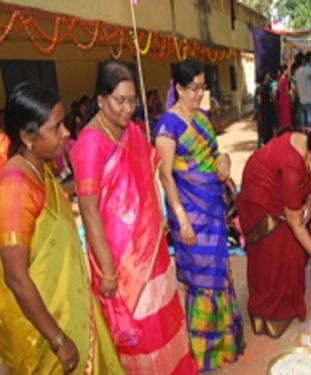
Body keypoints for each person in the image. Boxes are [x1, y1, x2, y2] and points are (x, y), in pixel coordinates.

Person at [70, 61, 196, 374]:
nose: (128, 109)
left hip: (151, 248)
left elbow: (149, 175)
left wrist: (159, 215)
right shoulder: (89, 144)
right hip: (119, 260)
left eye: (132, 100)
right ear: (101, 99)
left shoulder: (132, 133)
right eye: (120, 100)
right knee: (139, 333)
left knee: (164, 319)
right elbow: (88, 211)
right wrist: (109, 271)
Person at [0, 81, 124, 374]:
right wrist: (57, 339)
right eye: (56, 128)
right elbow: (16, 277)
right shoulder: (15, 186)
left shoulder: (39, 169)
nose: (66, 133)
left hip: (67, 311)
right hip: (42, 331)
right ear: (27, 136)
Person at [154, 59, 244, 372]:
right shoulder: (168, 126)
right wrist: (182, 220)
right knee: (201, 280)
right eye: (192, 89)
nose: (198, 94)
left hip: (213, 209)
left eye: (202, 87)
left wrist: (225, 162)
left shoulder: (203, 118)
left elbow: (215, 153)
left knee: (218, 271)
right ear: (177, 88)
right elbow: (166, 176)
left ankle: (224, 342)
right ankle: (204, 352)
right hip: (190, 213)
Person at [236, 123, 311, 339]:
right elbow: (296, 224)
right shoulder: (293, 167)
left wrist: (309, 201)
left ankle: (287, 296)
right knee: (276, 247)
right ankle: (265, 312)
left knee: (292, 246)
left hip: (281, 186)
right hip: (261, 195)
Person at [276, 64, 293, 129]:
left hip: (280, 101)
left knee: (282, 119)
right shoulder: (284, 80)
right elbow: (287, 92)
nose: (287, 71)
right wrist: (290, 98)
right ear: (284, 70)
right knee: (287, 120)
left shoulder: (279, 80)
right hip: (285, 101)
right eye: (286, 70)